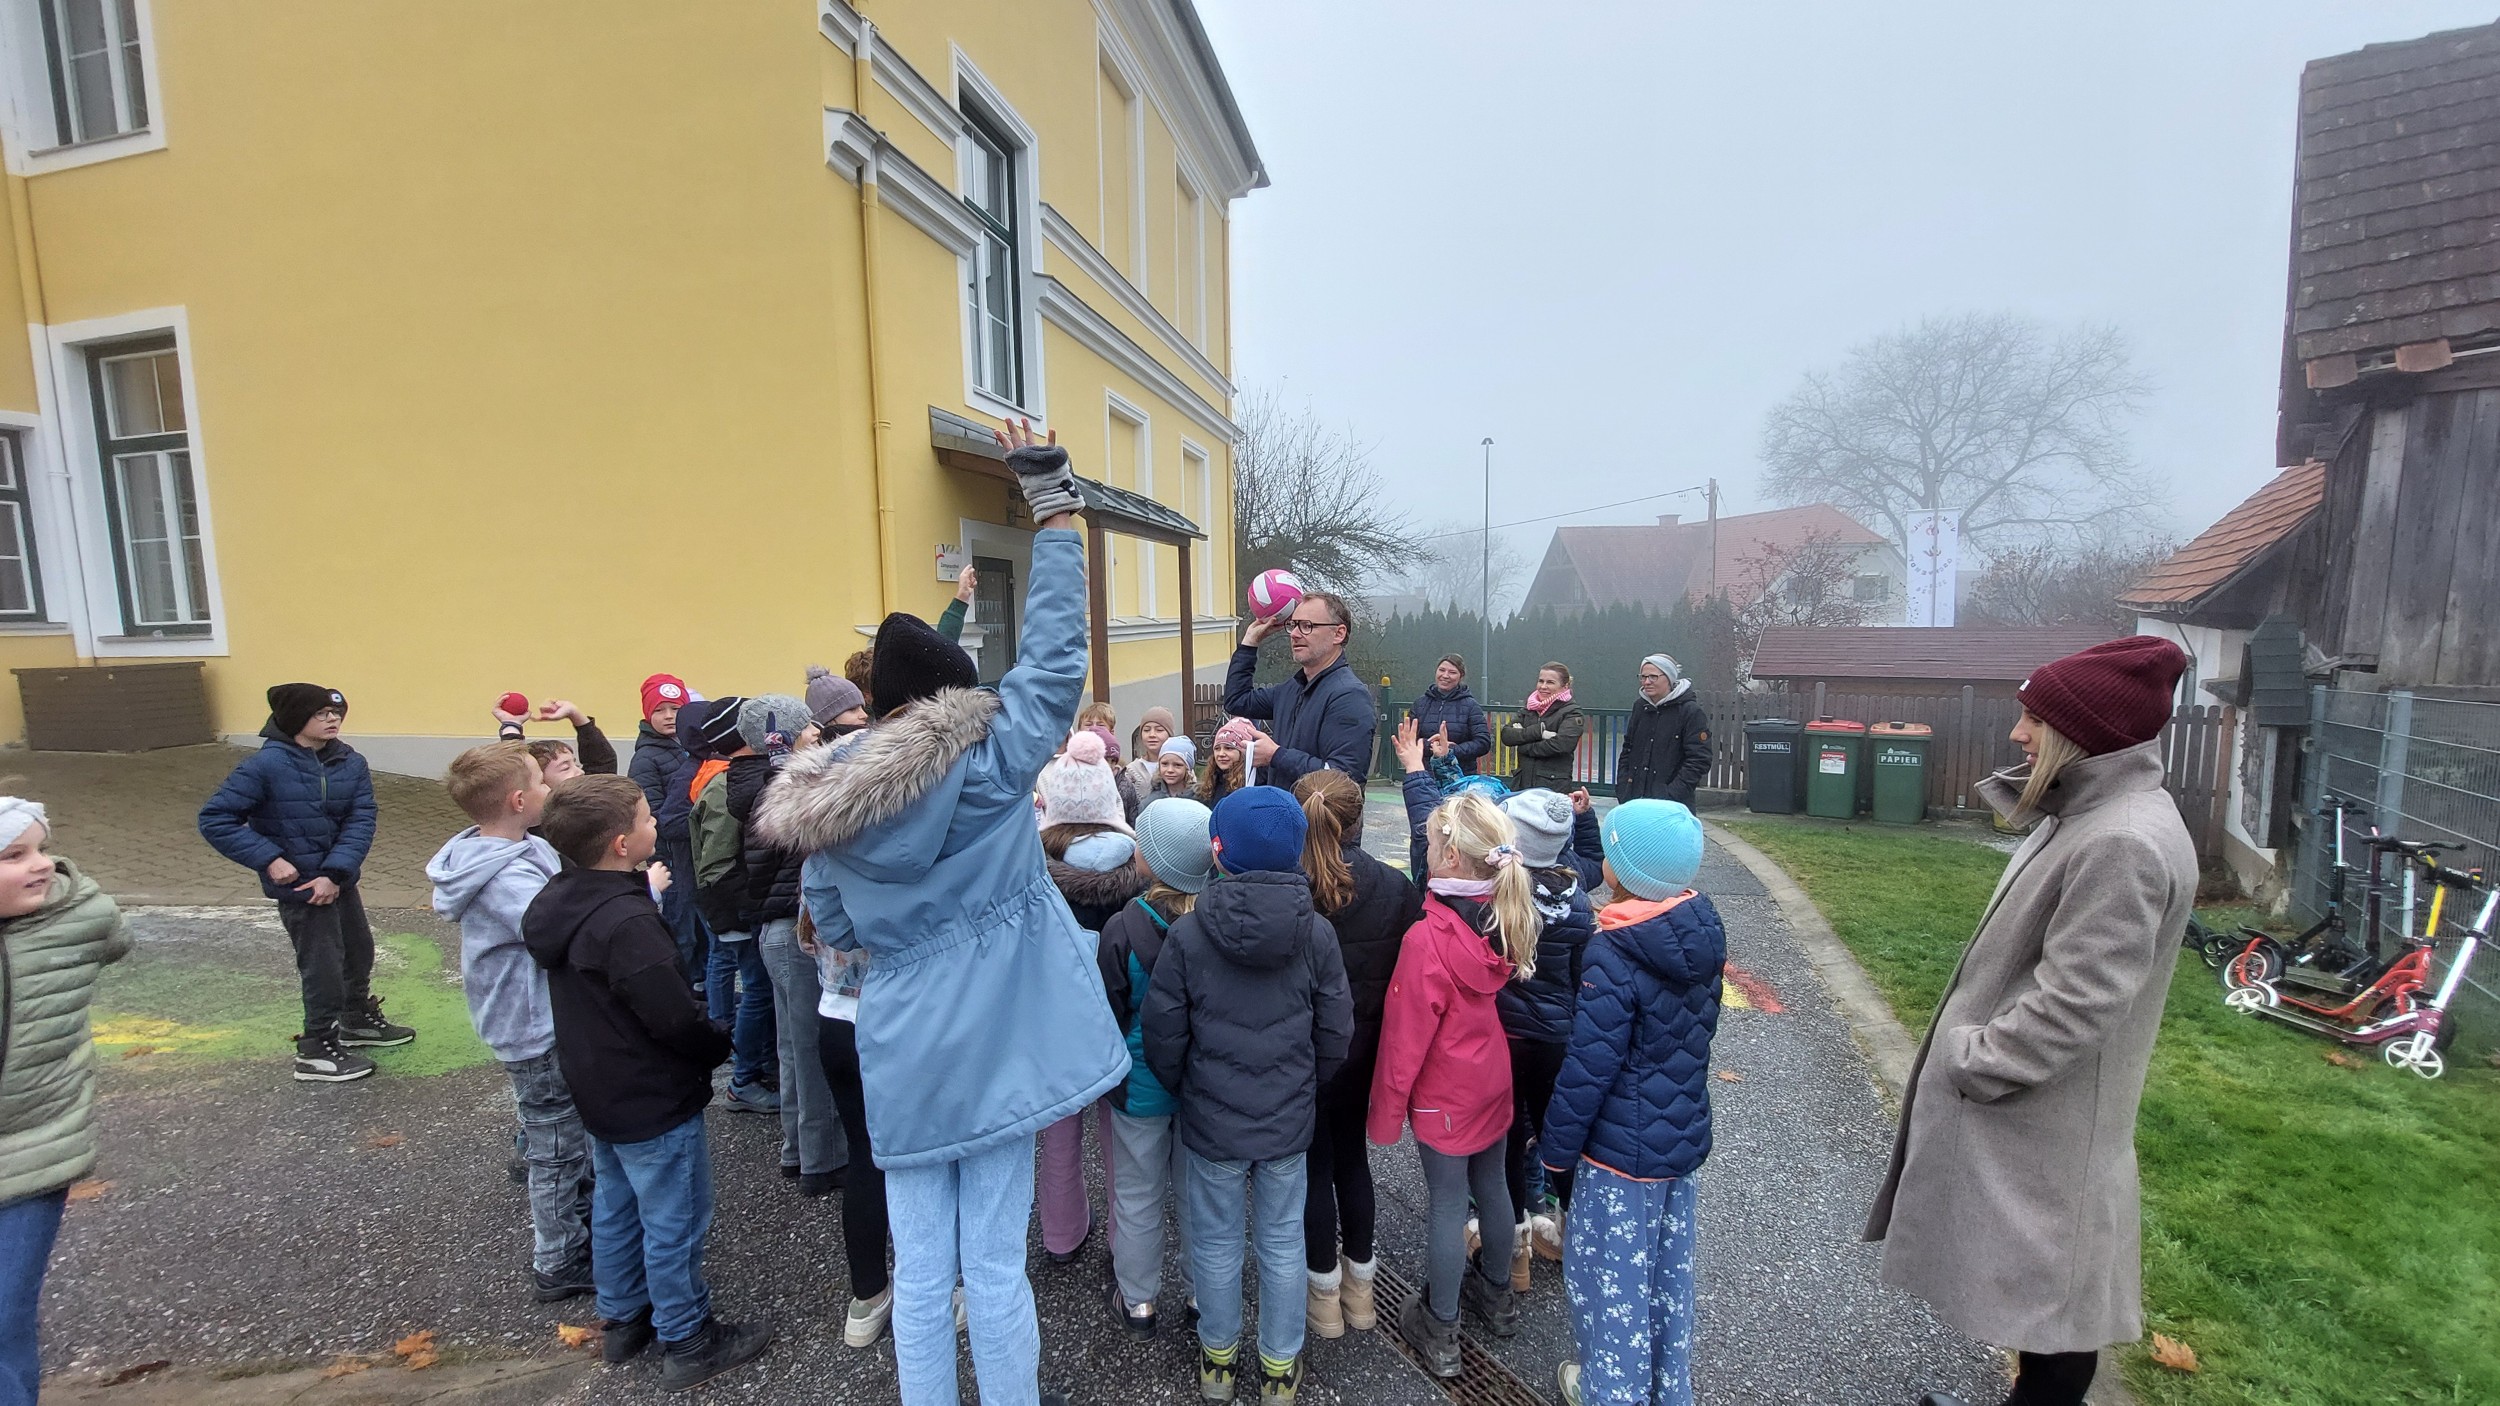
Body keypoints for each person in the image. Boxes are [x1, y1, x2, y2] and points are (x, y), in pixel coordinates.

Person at [755, 420, 1124, 1406]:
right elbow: (1055, 659)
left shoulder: (825, 807)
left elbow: (832, 925)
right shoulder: (987, 767)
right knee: (993, 1267)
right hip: (1000, 1035)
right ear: (948, 700)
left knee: (920, 1270)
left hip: (902, 1037)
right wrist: (1053, 505)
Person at [1868, 637, 2196, 1406]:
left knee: (2057, 1322)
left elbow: (2080, 1001)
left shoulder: (2121, 841)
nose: (2018, 733)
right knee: (2048, 1308)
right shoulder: (2090, 814)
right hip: (2043, 1124)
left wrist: (1976, 1060)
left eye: (2035, 720)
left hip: (2044, 1124)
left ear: (2084, 734)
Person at [523, 775, 769, 1389]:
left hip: (599, 1085)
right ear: (620, 844)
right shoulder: (627, 922)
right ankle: (688, 1336)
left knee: (616, 1203)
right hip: (651, 1092)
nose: (656, 824)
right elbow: (672, 1016)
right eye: (646, 819)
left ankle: (625, 1315)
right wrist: (717, 1040)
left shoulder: (561, 900)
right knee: (673, 1217)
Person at [1142, 787, 1352, 1406]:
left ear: (1217, 851)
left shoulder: (1188, 934)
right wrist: (1305, 1086)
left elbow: (1163, 1032)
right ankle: (1279, 1368)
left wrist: (1189, 1089)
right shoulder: (1317, 934)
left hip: (1212, 1120)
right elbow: (1335, 1031)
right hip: (1288, 1118)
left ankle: (1218, 1361)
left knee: (1214, 1240)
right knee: (1283, 1240)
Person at [1541, 798, 1725, 1406]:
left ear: (1620, 869)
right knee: (1667, 1280)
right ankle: (1668, 1391)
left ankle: (1610, 1392)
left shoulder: (1615, 952)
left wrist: (1556, 1152)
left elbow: (1588, 1066)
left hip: (1619, 1158)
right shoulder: (1699, 931)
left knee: (1609, 1284)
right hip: (1680, 1144)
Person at [1371, 792, 1538, 1377]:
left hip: (1444, 1094)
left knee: (1446, 1204)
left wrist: (1385, 1115)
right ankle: (1497, 1295)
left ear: (1449, 859)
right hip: (1491, 1077)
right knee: (1492, 1185)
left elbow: (1404, 1040)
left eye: (1430, 843)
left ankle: (1440, 1326)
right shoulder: (1503, 912)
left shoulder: (1427, 939)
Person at [428, 743, 595, 1304]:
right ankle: (559, 1257)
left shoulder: (523, 847)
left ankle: (580, 1222)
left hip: (546, 1015)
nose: (550, 789)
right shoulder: (501, 876)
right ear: (520, 800)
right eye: (540, 783)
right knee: (554, 1145)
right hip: (530, 1025)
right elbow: (554, 929)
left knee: (568, 1133)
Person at [198, 683, 412, 1083]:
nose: (332, 720)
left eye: (336, 714)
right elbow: (216, 819)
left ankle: (355, 1019)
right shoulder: (265, 766)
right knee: (322, 966)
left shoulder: (350, 762)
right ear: (296, 719)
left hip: (338, 880)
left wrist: (335, 873)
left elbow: (361, 818)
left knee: (358, 950)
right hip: (301, 891)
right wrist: (269, 860)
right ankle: (316, 1048)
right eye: (321, 714)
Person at [0, 799, 130, 1406]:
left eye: (41, 849)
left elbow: (115, 940)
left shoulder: (79, 917)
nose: (43, 865)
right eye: (14, 855)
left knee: (3, 1317)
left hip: (32, 1152)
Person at [1292, 770, 1420, 1342]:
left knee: (1313, 1166)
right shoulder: (1393, 887)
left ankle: (1322, 1294)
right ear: (1359, 820)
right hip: (1365, 1047)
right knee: (1352, 1159)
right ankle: (1362, 1290)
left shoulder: (1288, 884)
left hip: (1303, 1050)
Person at [1092, 798, 1213, 1341]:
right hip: (1201, 1085)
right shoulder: (1214, 923)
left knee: (1137, 1193)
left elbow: (1110, 1009)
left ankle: (1138, 1299)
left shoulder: (1123, 928)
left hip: (1139, 1087)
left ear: (1154, 861)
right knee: (1197, 1194)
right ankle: (1200, 1295)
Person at [1034, 729, 1146, 1265]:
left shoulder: (1032, 870)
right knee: (1119, 1133)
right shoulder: (1139, 867)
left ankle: (1061, 1234)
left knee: (1059, 1128)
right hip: (1121, 1020)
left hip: (1054, 1022)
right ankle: (1126, 1242)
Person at [733, 693, 844, 1194]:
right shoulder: (786, 790)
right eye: (807, 728)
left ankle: (797, 1149)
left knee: (792, 1048)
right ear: (782, 736)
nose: (817, 733)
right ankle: (823, 1160)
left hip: (771, 931)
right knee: (811, 1047)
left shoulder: (752, 785)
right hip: (792, 928)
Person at [1487, 789, 1597, 1294]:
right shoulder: (1578, 900)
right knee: (1559, 1136)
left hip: (1506, 1036)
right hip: (1555, 1037)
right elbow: (1579, 976)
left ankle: (1516, 1253)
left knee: (1510, 1140)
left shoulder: (1499, 893)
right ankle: (1576, 1229)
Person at [689, 697, 777, 1116]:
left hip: (740, 907)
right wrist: (749, 905)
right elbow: (717, 863)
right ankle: (743, 1080)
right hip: (737, 911)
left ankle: (763, 1067)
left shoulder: (728, 780)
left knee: (762, 989)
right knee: (757, 990)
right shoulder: (724, 787)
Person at [1222, 591, 1376, 790]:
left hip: (1319, 812)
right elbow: (1237, 700)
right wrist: (1249, 643)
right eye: (1293, 625)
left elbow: (1344, 780)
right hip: (1284, 810)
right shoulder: (1292, 689)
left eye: (1307, 626)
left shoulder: (1350, 697)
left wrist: (1276, 756)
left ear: (1338, 634)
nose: (1294, 634)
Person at [629, 674, 706, 982]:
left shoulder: (686, 748)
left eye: (675, 709)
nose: (668, 716)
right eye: (659, 710)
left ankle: (700, 984)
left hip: (690, 853)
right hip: (669, 857)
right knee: (680, 927)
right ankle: (682, 986)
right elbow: (654, 813)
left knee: (699, 927)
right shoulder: (646, 758)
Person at [1613, 655, 1710, 806]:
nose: (1647, 682)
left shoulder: (1690, 712)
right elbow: (1628, 750)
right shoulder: (1640, 707)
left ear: (1669, 678)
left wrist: (1671, 794)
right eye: (1643, 677)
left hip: (1673, 806)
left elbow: (1699, 760)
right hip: (1635, 802)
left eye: (1653, 677)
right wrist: (1624, 788)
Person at [1501, 663, 1586, 793]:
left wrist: (1524, 746)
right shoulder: (1529, 709)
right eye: (1541, 681)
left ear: (1565, 686)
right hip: (1522, 785)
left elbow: (1562, 745)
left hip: (1553, 788)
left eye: (1550, 682)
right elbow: (1507, 735)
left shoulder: (1572, 712)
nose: (1543, 686)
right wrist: (1539, 733)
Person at [496, 697, 618, 781]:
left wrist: (574, 713)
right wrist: (511, 725)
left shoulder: (586, 800)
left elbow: (602, 762)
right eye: (565, 768)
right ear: (540, 781)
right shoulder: (537, 808)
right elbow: (517, 771)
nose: (580, 772)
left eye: (576, 765)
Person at [1407, 655, 1491, 775]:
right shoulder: (1420, 704)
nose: (1445, 675)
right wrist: (1430, 746)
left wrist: (1451, 750)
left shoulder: (1471, 706)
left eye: (1452, 672)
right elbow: (1407, 740)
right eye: (1442, 670)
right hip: (1424, 775)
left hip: (1460, 776)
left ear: (1461, 676)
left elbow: (1483, 743)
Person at [1124, 706, 1179, 798]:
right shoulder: (1131, 770)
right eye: (1146, 730)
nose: (1152, 735)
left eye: (1159, 730)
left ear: (1169, 734)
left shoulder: (1181, 766)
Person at [1142, 736, 1198, 808]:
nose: (1170, 770)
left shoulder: (1199, 801)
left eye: (1177, 765)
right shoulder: (1150, 803)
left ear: (1188, 769)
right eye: (1165, 764)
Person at [1199, 734, 1249, 808]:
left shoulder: (1251, 782)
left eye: (1228, 748)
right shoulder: (1211, 782)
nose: (1221, 754)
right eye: (1217, 748)